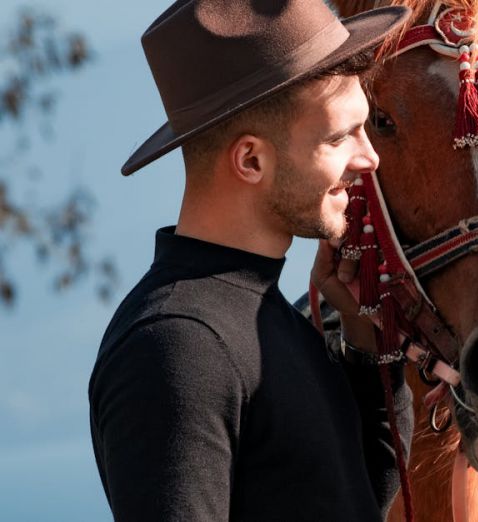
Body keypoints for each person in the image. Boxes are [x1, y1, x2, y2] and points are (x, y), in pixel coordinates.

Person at [88, 1, 413, 520]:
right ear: (251, 160)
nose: (368, 157)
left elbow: (356, 502)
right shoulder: (179, 345)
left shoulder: (267, 318)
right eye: (339, 136)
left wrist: (366, 344)